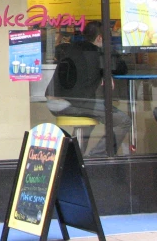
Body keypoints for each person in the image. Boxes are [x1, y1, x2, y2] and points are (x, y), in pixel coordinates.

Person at [46, 21, 131, 156]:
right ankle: (98, 157)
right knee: (124, 121)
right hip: (72, 103)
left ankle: (76, 157)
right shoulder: (98, 54)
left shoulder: (72, 47)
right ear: (100, 39)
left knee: (89, 116)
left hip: (54, 102)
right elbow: (122, 68)